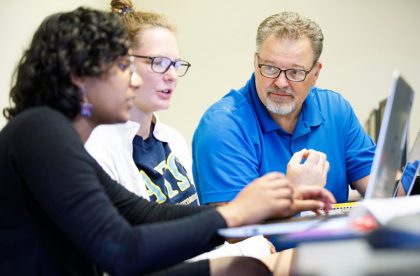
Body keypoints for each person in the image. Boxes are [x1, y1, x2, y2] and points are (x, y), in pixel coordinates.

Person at [0, 7, 336, 275]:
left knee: (245, 268)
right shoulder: (39, 130)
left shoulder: (53, 135)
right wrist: (232, 216)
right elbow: (121, 250)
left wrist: (261, 209)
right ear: (79, 76)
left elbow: (145, 213)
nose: (133, 80)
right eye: (121, 67)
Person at [85, 0, 274, 261]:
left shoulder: (172, 139)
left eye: (175, 64)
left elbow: (196, 233)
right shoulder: (98, 148)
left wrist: (250, 243)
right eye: (159, 62)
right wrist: (246, 252)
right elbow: (139, 253)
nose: (172, 75)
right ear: (120, 63)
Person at [192, 11, 376, 205]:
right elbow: (235, 229)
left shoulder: (336, 110)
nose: (280, 82)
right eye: (270, 68)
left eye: (295, 72)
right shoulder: (223, 126)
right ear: (255, 63)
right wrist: (293, 193)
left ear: (315, 73)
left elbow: (380, 188)